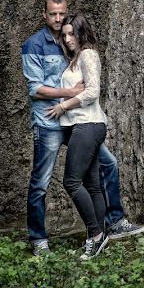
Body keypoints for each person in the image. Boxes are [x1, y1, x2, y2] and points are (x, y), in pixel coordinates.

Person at [22, 0, 144, 257]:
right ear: (44, 15)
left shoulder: (72, 45)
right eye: (53, 14)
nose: (58, 19)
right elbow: (35, 89)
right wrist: (68, 95)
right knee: (41, 182)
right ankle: (39, 239)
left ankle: (112, 223)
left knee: (107, 164)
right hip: (49, 122)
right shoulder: (34, 44)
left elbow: (89, 86)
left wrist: (72, 97)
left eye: (61, 14)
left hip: (76, 122)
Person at [46, 14, 109, 259]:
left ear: (83, 32)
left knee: (71, 182)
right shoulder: (76, 59)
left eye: (72, 33)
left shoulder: (88, 55)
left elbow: (93, 91)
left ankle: (96, 235)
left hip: (87, 125)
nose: (68, 39)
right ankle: (99, 238)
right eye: (65, 35)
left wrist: (63, 106)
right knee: (92, 185)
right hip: (84, 126)